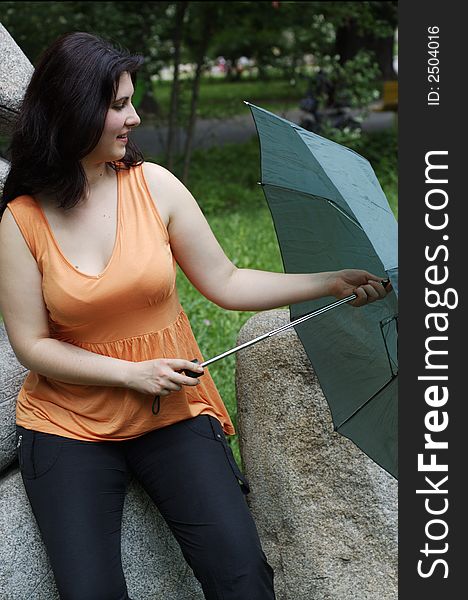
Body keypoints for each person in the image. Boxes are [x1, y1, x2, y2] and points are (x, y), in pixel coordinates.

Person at [0, 32, 390, 600]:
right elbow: (32, 345)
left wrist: (329, 282)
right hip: (69, 424)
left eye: (131, 101)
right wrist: (131, 374)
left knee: (243, 578)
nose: (133, 117)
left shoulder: (154, 186)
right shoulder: (20, 220)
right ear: (72, 110)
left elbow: (226, 281)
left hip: (172, 412)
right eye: (118, 105)